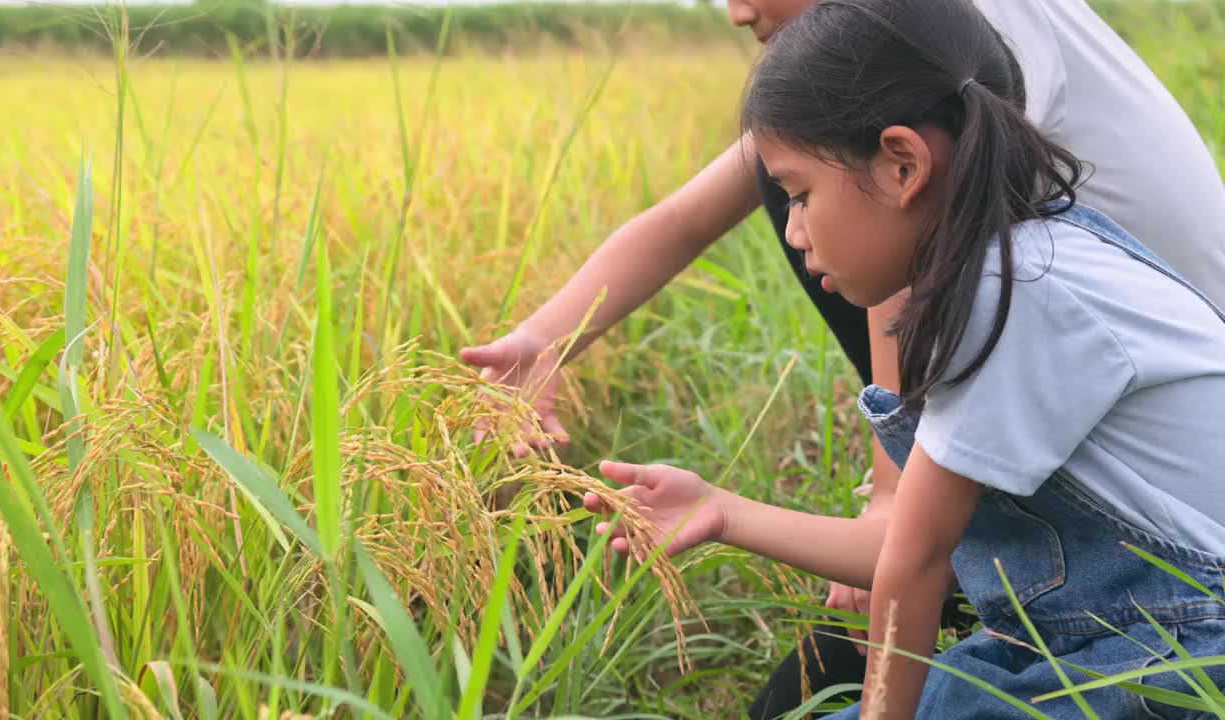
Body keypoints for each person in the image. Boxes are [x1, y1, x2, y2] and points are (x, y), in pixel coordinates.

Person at [460, 0, 1225, 714]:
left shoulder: (1001, 276)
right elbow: (686, 219)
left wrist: (890, 503)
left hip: (1182, 623)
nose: (735, 12)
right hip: (1097, 584)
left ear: (902, 164)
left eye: (798, 196)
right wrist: (547, 346)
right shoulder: (976, 201)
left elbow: (912, 558)